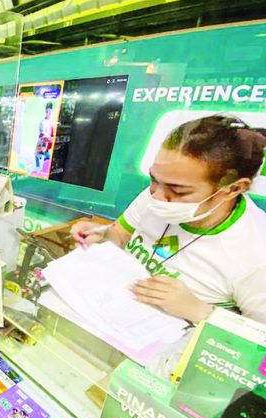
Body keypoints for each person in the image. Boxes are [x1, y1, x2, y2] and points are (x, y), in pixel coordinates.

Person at [72, 115, 266, 324]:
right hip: (113, 312)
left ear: (233, 189)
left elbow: (257, 341)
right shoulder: (154, 194)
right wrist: (102, 235)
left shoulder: (256, 254)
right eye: (154, 180)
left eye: (178, 190)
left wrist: (199, 311)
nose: (156, 196)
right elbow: (120, 234)